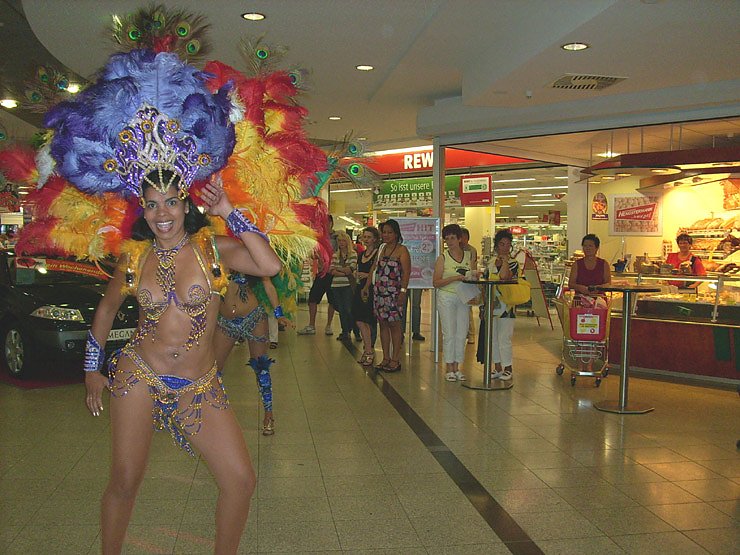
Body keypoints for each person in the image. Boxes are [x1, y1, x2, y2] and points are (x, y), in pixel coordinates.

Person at [85, 173, 281, 554]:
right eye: (152, 204)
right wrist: (92, 368)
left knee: (240, 481)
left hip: (198, 384)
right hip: (140, 375)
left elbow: (269, 265)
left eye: (171, 202)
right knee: (125, 480)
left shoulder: (212, 250)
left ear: (186, 205)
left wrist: (228, 210)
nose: (162, 214)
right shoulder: (135, 256)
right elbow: (107, 309)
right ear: (143, 211)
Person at [213, 274, 292, 436]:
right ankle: (219, 416)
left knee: (261, 368)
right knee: (213, 371)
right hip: (225, 322)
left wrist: (279, 314)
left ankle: (268, 415)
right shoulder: (216, 257)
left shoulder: (252, 259)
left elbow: (267, 283)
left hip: (254, 317)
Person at [366, 219, 410, 372]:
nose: (386, 235)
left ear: (396, 234)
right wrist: (366, 286)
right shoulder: (381, 249)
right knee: (383, 325)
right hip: (379, 293)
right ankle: (385, 357)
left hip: (394, 293)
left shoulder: (402, 250)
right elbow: (374, 268)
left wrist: (403, 292)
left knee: (395, 325)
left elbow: (406, 273)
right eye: (384, 232)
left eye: (389, 232)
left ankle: (395, 359)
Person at [477, 229, 520, 381]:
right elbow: (484, 284)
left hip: (507, 306)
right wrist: (483, 305)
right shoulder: (490, 262)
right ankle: (497, 367)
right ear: (496, 246)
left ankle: (508, 367)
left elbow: (504, 276)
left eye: (508, 244)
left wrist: (505, 261)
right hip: (491, 304)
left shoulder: (514, 263)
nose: (505, 247)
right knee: (493, 337)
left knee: (504, 337)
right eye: (502, 244)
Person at [433, 224, 472, 382]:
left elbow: (472, 275)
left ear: (459, 239)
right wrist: (455, 278)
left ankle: (457, 366)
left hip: (463, 297)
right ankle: (449, 367)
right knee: (449, 332)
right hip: (446, 297)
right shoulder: (442, 258)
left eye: (453, 238)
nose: (450, 241)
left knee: (462, 333)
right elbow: (436, 282)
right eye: (447, 238)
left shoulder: (468, 256)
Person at [297, 215, 337, 336]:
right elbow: (313, 253)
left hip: (333, 273)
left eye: (327, 222)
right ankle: (311, 325)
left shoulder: (337, 237)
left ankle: (329, 325)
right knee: (313, 298)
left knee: (332, 300)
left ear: (331, 223)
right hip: (321, 273)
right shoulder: (318, 238)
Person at [354, 226, 380, 365]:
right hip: (360, 288)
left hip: (371, 289)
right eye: (365, 237)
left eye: (369, 237)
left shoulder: (377, 254)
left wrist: (367, 276)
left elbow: (376, 271)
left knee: (368, 320)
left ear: (375, 239)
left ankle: (369, 350)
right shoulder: (361, 254)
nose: (366, 239)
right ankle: (367, 349)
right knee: (359, 320)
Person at [330, 230, 358, 341]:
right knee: (341, 309)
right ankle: (345, 331)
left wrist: (339, 269)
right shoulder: (335, 255)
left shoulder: (353, 254)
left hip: (348, 285)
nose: (341, 243)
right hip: (336, 286)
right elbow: (331, 270)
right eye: (339, 241)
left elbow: (350, 269)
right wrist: (343, 271)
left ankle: (354, 329)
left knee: (348, 309)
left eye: (343, 241)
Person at [460, 227, 478, 344]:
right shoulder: (455, 249)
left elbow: (472, 266)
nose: (462, 240)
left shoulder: (471, 250)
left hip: (468, 281)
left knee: (468, 309)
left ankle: (471, 334)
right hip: (458, 281)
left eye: (464, 237)